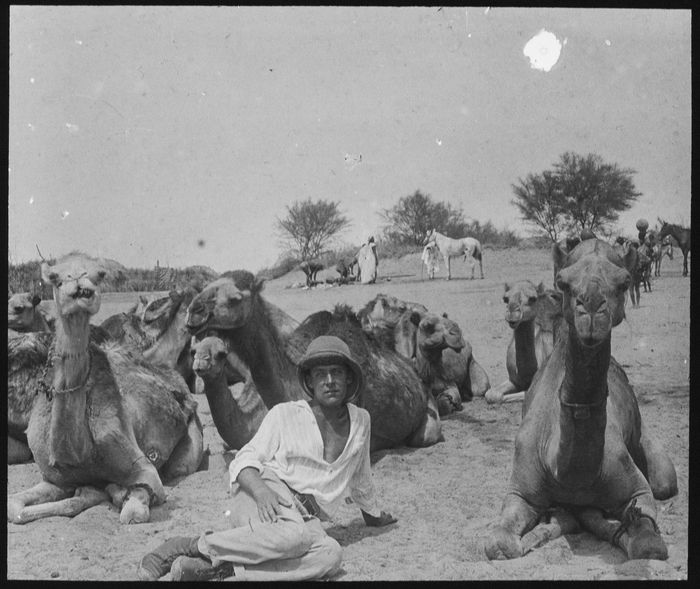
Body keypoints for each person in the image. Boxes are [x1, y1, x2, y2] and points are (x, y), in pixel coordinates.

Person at [138, 335, 397, 582]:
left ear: (349, 379)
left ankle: (222, 571)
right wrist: (262, 492)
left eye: (337, 372)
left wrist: (373, 516)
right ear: (310, 380)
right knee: (294, 537)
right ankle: (188, 545)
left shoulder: (362, 420)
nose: (330, 381)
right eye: (321, 374)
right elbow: (243, 460)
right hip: (264, 493)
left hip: (309, 518)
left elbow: (361, 475)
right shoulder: (285, 414)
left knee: (330, 555)